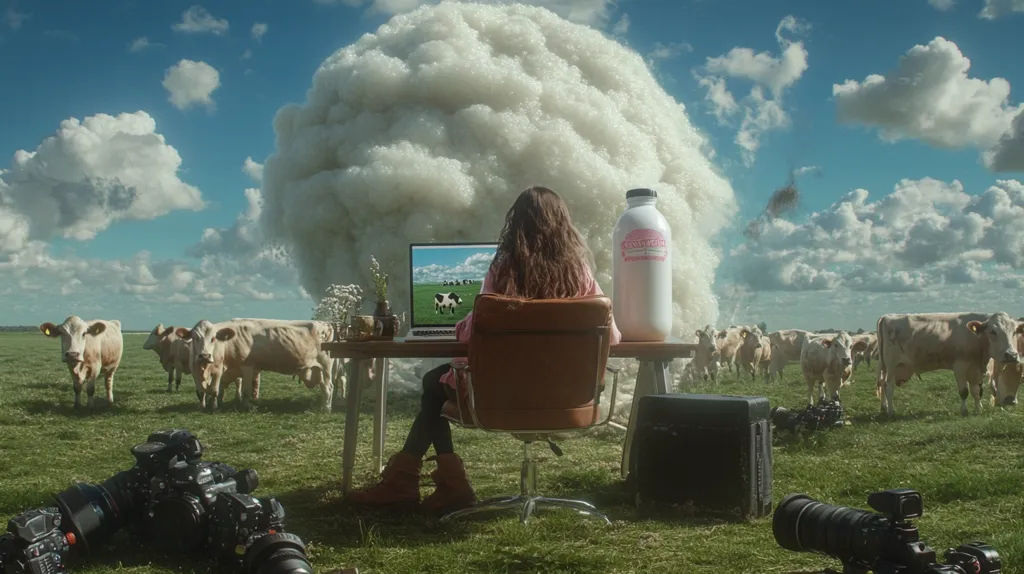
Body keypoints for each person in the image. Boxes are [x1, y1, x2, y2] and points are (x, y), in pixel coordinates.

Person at [343, 185, 622, 515]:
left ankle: (429, 483)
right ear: (564, 225)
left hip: (502, 396)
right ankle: (435, 484)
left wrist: (462, 326)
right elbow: (612, 337)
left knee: (434, 385)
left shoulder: (502, 270)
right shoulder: (581, 274)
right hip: (564, 398)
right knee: (435, 383)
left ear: (514, 225)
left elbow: (475, 330)